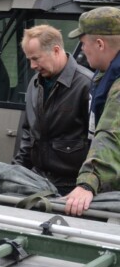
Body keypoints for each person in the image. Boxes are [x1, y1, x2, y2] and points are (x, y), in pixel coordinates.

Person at [11, 25, 93, 195]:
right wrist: (15, 173)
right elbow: (27, 134)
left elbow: (97, 144)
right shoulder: (35, 83)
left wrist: (87, 186)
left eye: (36, 58)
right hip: (36, 181)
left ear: (56, 50)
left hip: (72, 188)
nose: (32, 65)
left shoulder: (86, 86)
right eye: (29, 60)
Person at [64, 6, 120, 216]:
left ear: (99, 44)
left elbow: (111, 134)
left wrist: (88, 182)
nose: (82, 50)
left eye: (83, 43)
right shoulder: (104, 75)